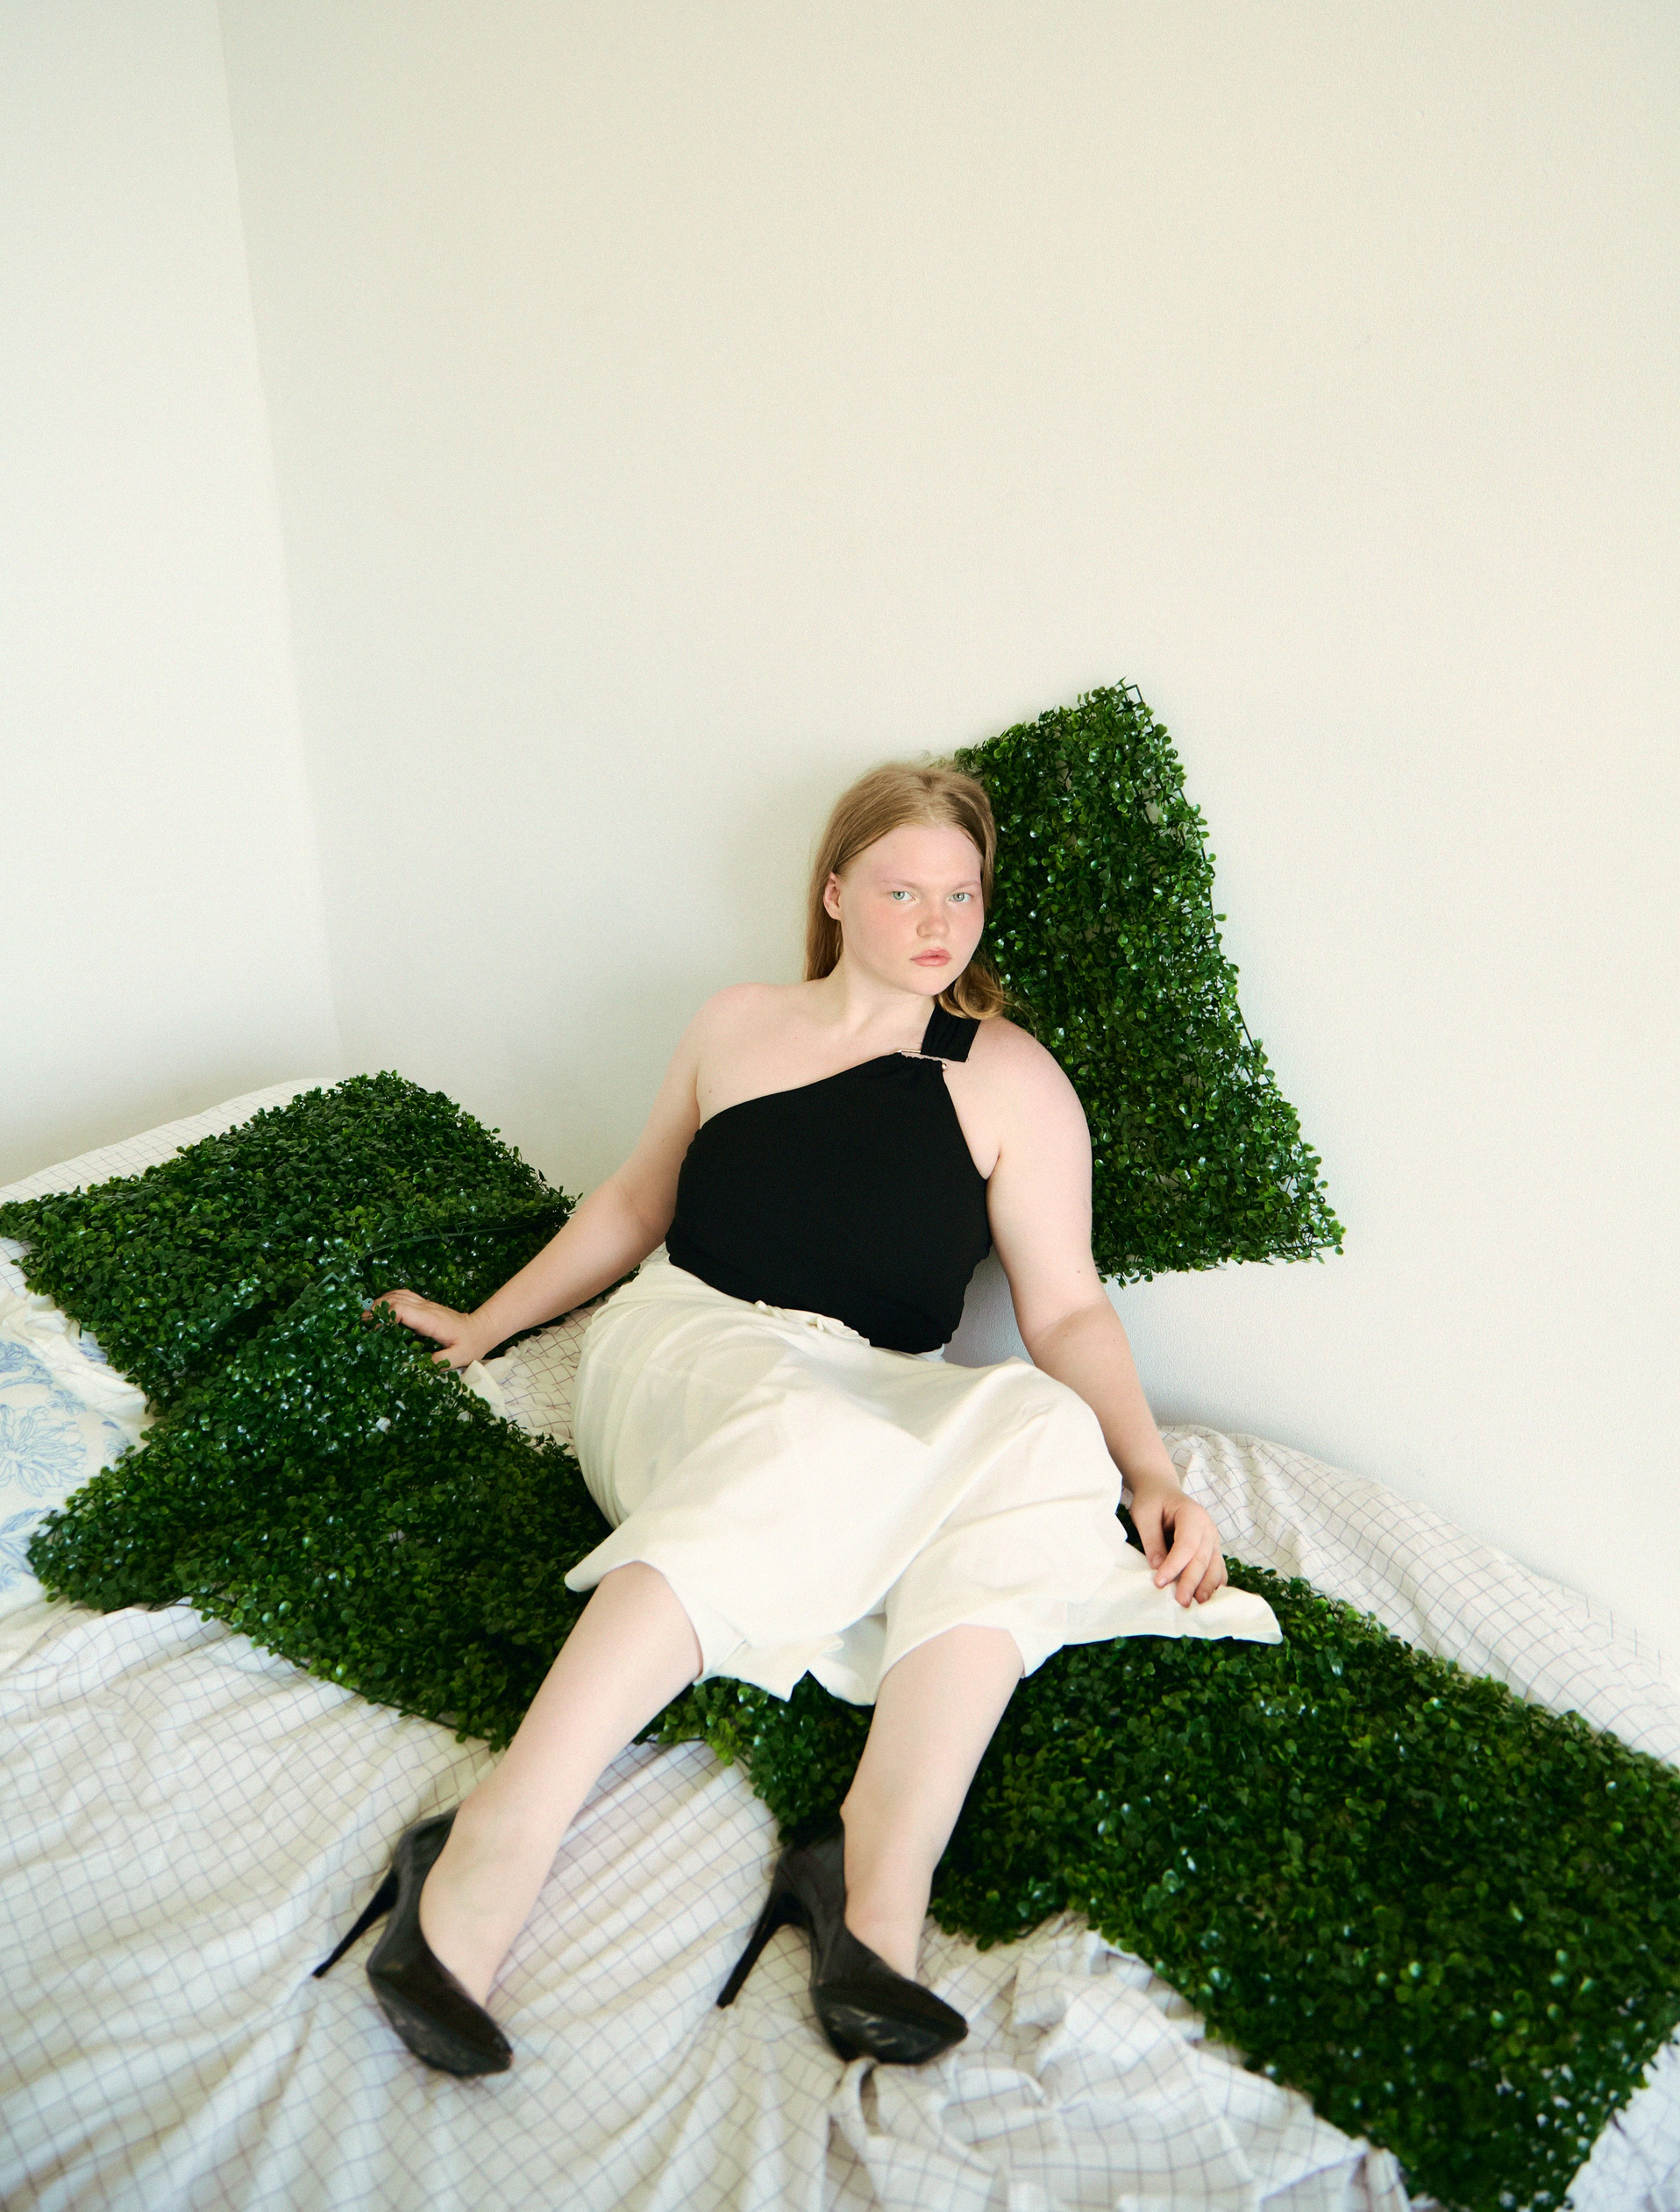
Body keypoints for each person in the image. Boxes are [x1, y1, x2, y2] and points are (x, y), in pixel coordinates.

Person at [311, 763, 1278, 2076]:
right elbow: (634, 1202)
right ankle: (490, 1837)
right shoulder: (738, 1023)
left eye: (962, 894)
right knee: (808, 1435)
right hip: (691, 1342)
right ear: (833, 893)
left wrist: (1148, 1468)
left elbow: (1064, 1307)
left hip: (866, 1382)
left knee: (1046, 1434)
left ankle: (873, 1876)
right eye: (902, 891)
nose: (938, 923)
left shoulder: (1013, 1081)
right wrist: (488, 1321)